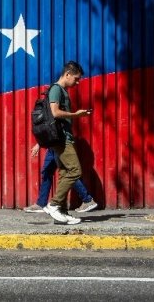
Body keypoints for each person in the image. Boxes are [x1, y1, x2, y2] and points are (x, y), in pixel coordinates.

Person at [40, 61, 93, 225]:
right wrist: (76, 115)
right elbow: (55, 112)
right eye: (76, 79)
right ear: (67, 74)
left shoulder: (61, 90)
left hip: (63, 138)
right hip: (62, 139)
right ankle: (54, 204)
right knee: (75, 171)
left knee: (64, 173)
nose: (77, 83)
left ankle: (62, 212)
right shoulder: (57, 89)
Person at [24, 143, 98, 213]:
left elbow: (54, 130)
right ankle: (41, 204)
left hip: (60, 145)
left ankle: (88, 200)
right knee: (47, 172)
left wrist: (39, 144)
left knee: (69, 173)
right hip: (52, 147)